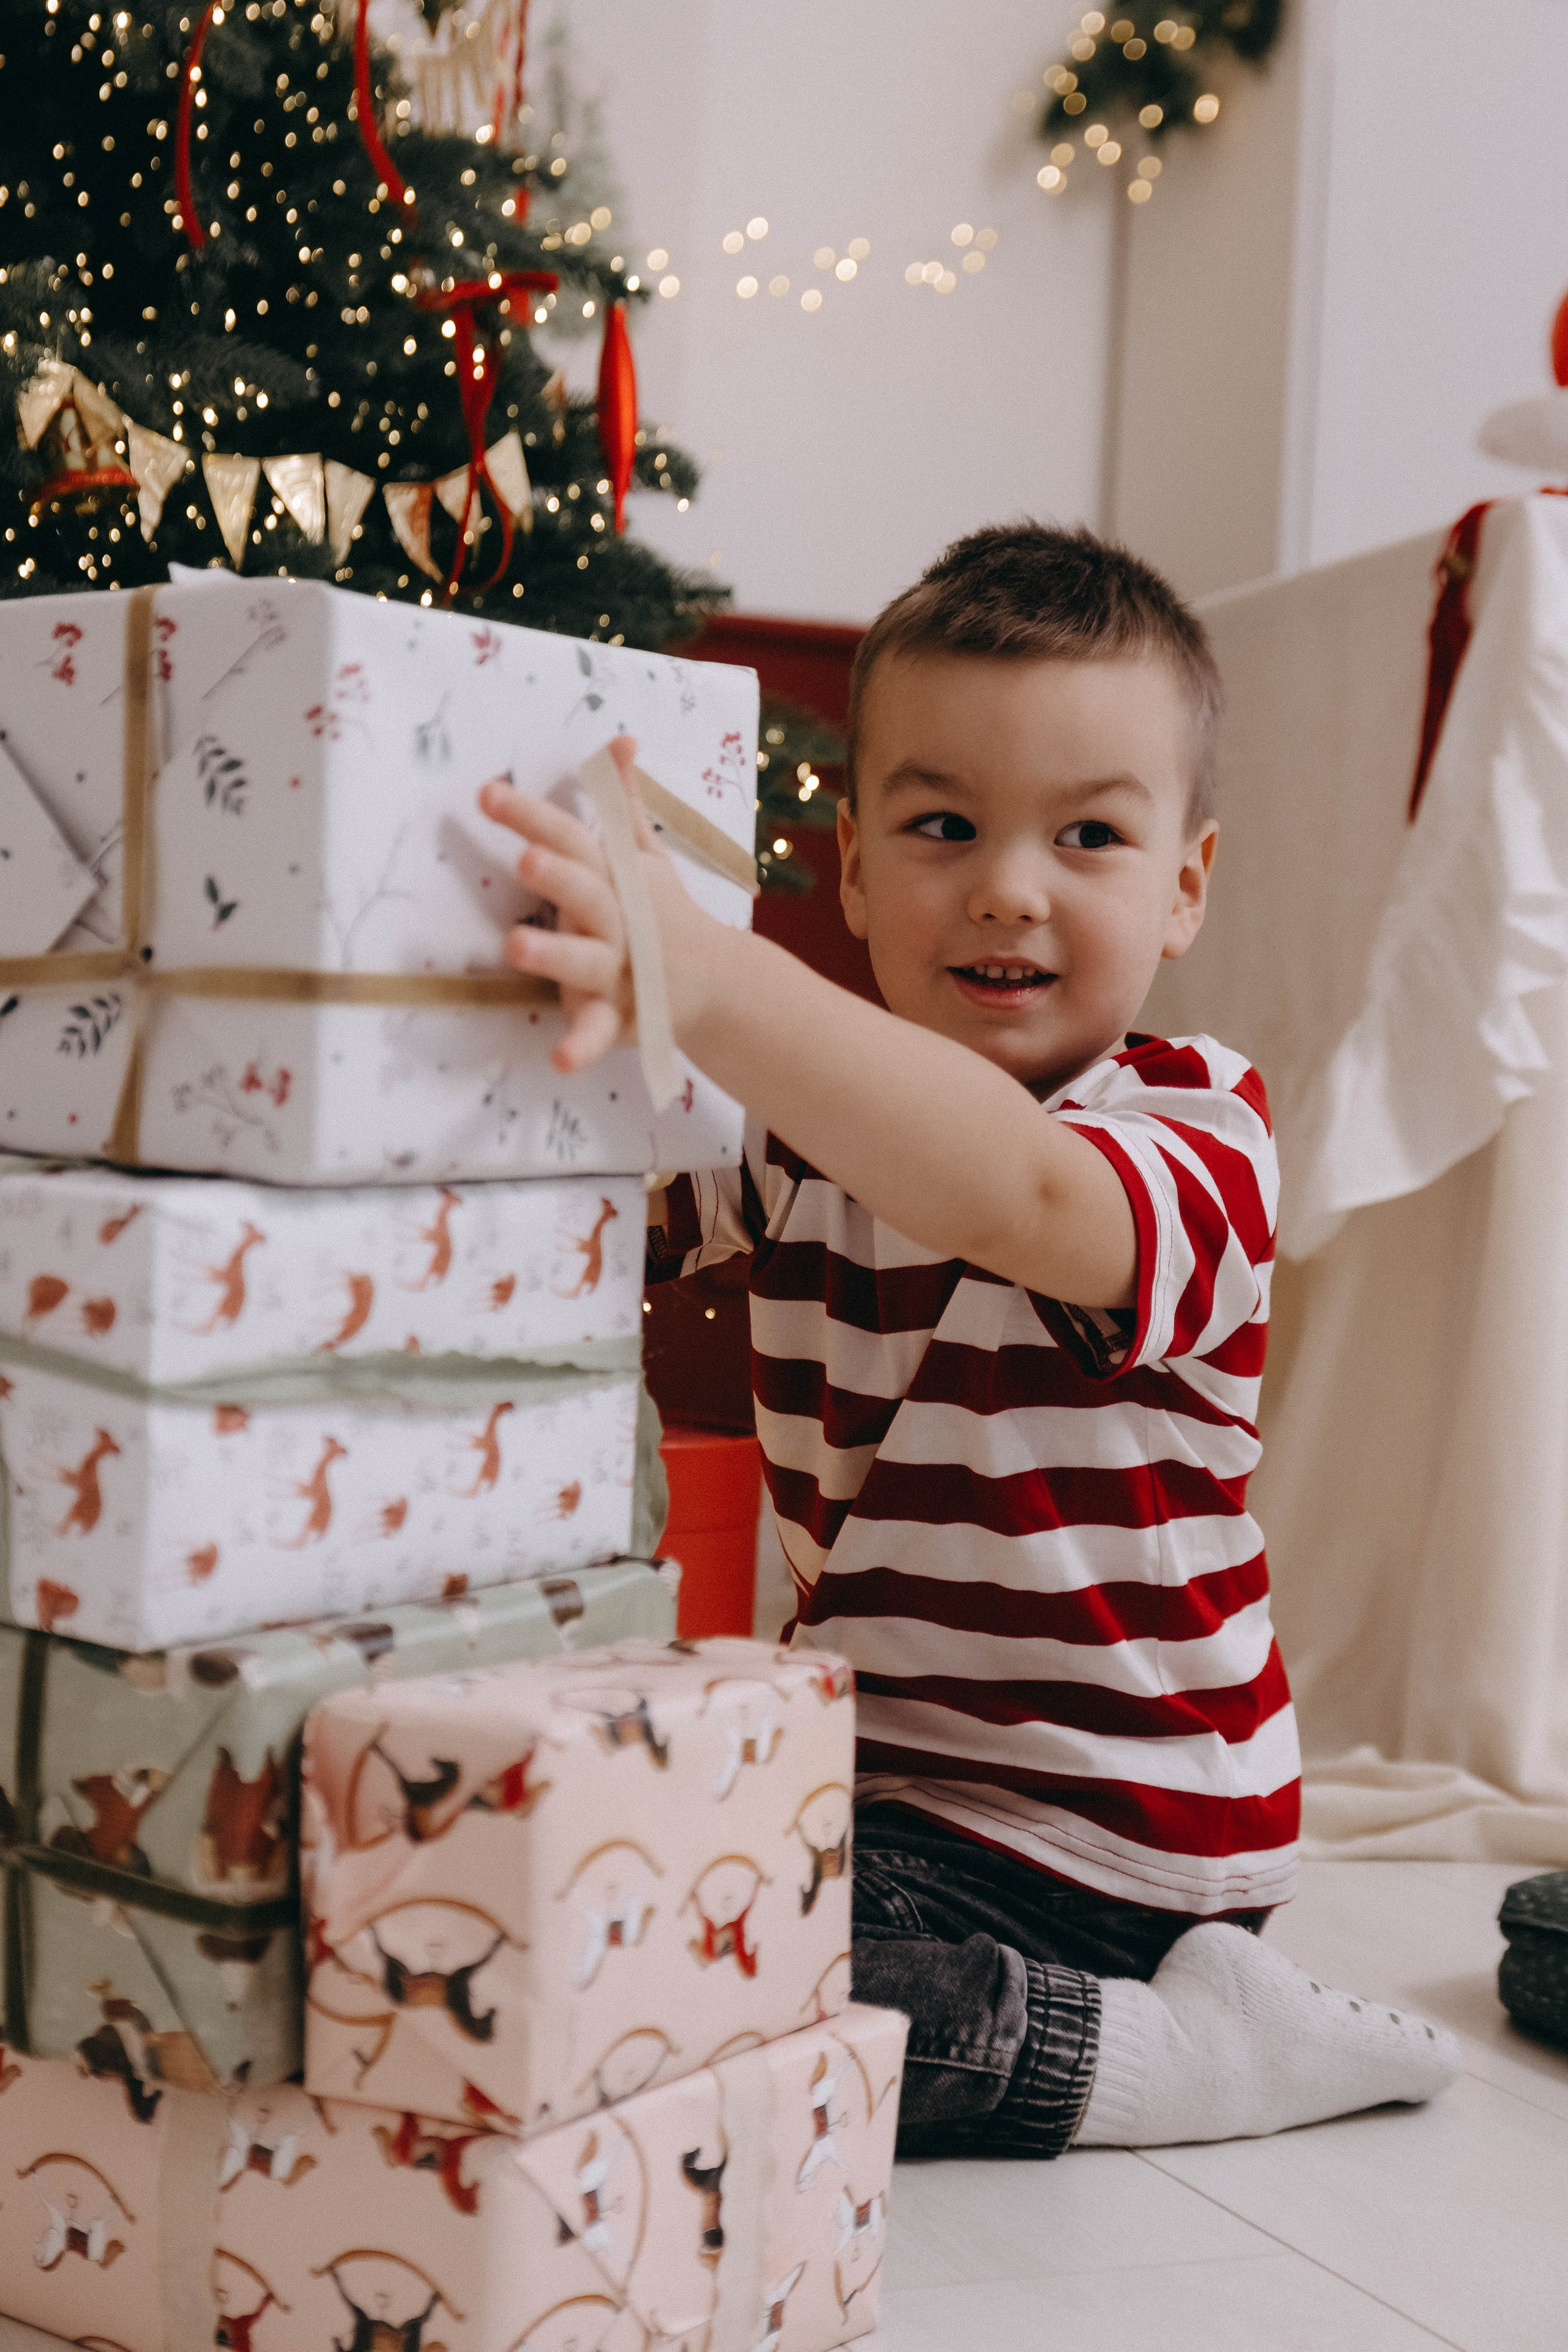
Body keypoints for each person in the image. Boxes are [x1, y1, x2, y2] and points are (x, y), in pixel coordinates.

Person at [478, 521, 1460, 2159]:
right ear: (854, 868)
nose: (1010, 885)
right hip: (888, 1795)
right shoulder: (802, 1133)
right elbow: (586, 1215)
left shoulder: (1197, 1133)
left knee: (712, 1990)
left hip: (1115, 1834)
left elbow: (1016, 1191)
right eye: (945, 826)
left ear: (1184, 889)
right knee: (572, 1901)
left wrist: (708, 975)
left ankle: (1178, 2057)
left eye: (1089, 836)